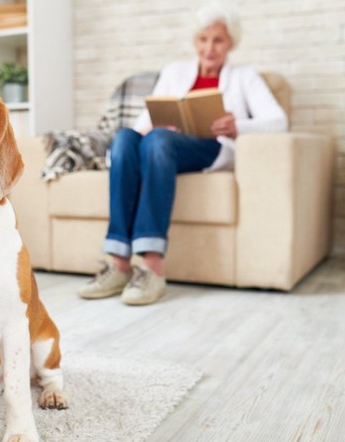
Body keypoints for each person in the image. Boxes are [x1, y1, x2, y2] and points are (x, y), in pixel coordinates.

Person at [78, 2, 288, 306]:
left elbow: (278, 121)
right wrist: (147, 131)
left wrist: (236, 124)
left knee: (159, 140)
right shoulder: (175, 72)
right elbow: (145, 122)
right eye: (204, 40)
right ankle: (118, 264)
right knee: (125, 138)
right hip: (163, 145)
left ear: (231, 43)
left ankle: (152, 268)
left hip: (211, 147)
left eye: (218, 40)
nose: (210, 48)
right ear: (195, 42)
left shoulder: (245, 77)